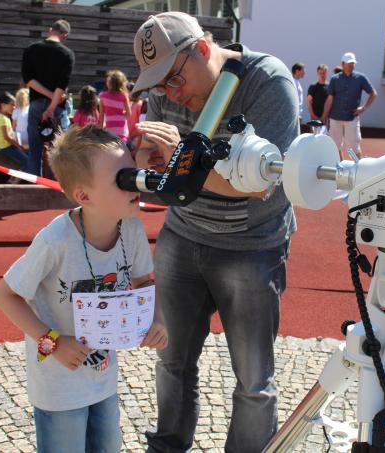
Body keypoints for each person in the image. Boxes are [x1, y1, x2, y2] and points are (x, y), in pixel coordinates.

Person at [130, 12, 297, 453]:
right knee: (171, 360)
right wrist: (149, 155)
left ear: (202, 49)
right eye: (159, 86)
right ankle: (167, 445)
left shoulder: (268, 82)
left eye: (174, 80)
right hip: (182, 236)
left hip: (251, 246)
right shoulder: (172, 90)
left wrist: (178, 163)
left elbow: (261, 185)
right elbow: (155, 163)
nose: (170, 95)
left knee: (253, 379)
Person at [0, 125, 168, 453]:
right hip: (58, 385)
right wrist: (53, 342)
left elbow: (145, 282)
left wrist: (156, 318)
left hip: (103, 378)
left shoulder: (130, 228)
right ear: (84, 196)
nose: (135, 182)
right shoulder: (55, 241)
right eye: (122, 178)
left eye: (132, 171)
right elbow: (5, 295)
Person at [21, 19, 75, 176]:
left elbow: (29, 80)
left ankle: (33, 187)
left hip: (36, 104)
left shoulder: (31, 49)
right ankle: (53, 189)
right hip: (57, 108)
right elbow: (62, 85)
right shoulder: (67, 54)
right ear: (65, 35)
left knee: (34, 151)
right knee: (57, 152)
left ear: (50, 30)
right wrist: (52, 104)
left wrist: (48, 96)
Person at [322, 52, 377, 160]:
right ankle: (339, 166)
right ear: (343, 64)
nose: (352, 65)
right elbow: (330, 98)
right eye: (349, 63)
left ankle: (358, 167)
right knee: (334, 145)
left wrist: (364, 108)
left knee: (353, 147)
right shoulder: (335, 79)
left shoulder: (361, 78)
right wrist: (324, 115)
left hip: (351, 118)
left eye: (353, 63)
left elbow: (373, 93)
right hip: (335, 118)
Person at [0, 92, 28, 170]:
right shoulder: (2, 119)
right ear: (3, 105)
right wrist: (19, 146)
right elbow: (7, 137)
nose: (14, 107)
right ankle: (13, 181)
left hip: (7, 147)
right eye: (12, 104)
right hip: (6, 148)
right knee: (28, 161)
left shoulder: (4, 117)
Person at [100, 70, 131, 143]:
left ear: (109, 83)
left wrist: (101, 129)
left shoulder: (103, 96)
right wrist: (121, 115)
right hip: (122, 130)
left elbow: (101, 116)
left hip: (109, 131)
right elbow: (129, 114)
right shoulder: (124, 96)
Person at [307, 63, 329, 133]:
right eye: (320, 73)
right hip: (315, 118)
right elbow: (309, 102)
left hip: (326, 118)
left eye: (324, 73)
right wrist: (313, 115)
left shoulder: (330, 86)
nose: (322, 75)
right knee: (313, 138)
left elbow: (330, 102)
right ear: (317, 73)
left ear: (327, 73)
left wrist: (324, 116)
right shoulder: (313, 86)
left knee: (325, 139)